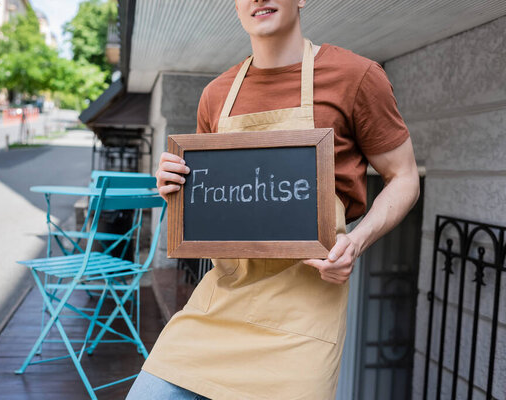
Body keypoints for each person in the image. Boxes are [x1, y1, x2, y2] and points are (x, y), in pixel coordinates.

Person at [127, 0, 420, 399]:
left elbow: (403, 178)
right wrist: (174, 188)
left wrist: (356, 241)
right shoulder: (216, 95)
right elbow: (211, 203)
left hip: (303, 320)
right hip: (217, 307)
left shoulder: (357, 77)